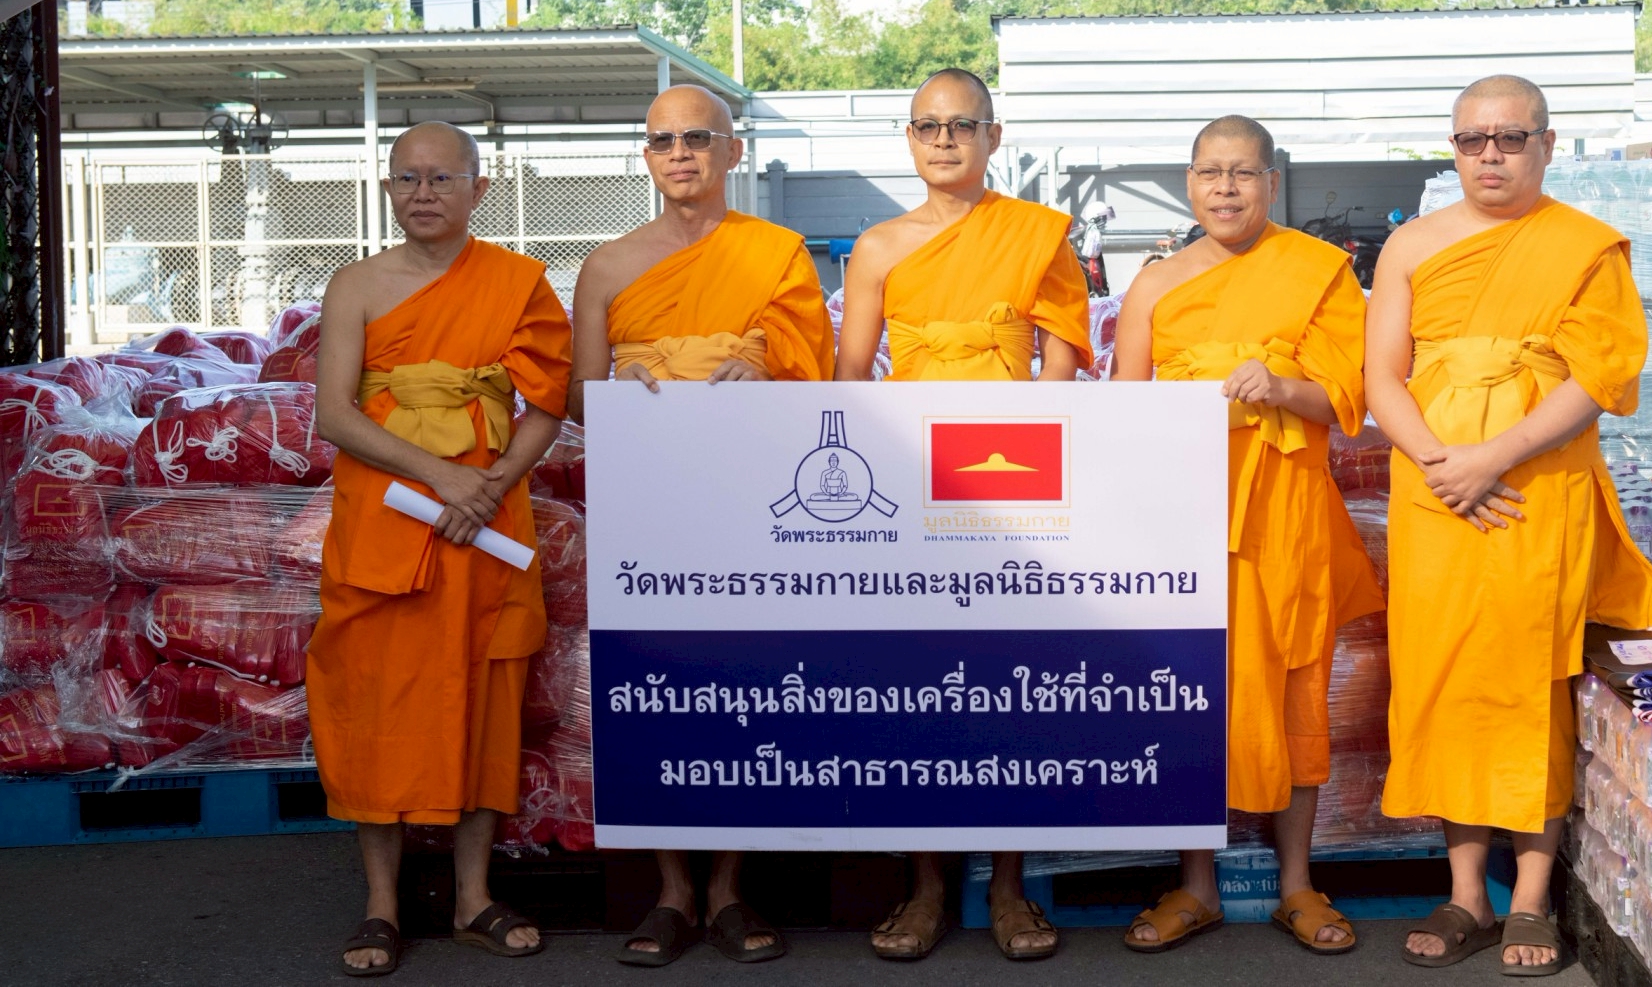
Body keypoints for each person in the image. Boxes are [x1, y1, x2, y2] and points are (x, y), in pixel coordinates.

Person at [1365, 76, 1652, 975]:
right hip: (1434, 492)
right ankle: (1466, 896)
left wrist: (1492, 458)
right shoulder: (1411, 245)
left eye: (1508, 138)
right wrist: (1441, 463)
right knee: (1448, 678)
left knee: (1530, 679)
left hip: (1537, 486)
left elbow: (1599, 376)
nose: (1489, 155)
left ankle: (1530, 898)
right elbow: (1382, 378)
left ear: (1545, 142)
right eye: (1471, 140)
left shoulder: (1583, 246)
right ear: (1452, 149)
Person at [569, 84, 834, 968]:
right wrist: (629, 390)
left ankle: (727, 885)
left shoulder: (776, 251)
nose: (679, 153)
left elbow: (816, 370)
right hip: (647, 492)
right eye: (661, 140)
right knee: (655, 678)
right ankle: (672, 888)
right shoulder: (607, 264)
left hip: (753, 489)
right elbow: (578, 396)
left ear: (731, 151)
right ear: (646, 157)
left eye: (696, 138)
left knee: (744, 675)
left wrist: (770, 379)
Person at [835, 67, 1092, 962]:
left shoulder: (1035, 234)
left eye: (961, 125)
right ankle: (927, 887)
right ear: (909, 139)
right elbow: (852, 378)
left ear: (992, 135)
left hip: (1010, 474)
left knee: (1010, 682)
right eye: (927, 126)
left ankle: (1011, 887)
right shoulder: (875, 246)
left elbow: (1063, 357)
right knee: (916, 683)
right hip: (907, 478)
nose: (944, 140)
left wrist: (1024, 437)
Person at [307, 121, 573, 976]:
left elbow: (546, 404)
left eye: (441, 178)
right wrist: (439, 478)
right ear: (388, 189)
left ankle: (472, 896)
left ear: (478, 188)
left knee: (483, 699)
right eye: (406, 179)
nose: (423, 193)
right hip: (387, 523)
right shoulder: (355, 285)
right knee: (374, 707)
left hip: (486, 528)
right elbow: (335, 413)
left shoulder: (517, 282)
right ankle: (382, 905)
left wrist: (485, 486)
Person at [1111, 115, 1380, 956]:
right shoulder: (1155, 282)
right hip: (1185, 506)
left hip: (1288, 508)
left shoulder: (1317, 270)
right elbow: (1125, 407)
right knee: (1192, 690)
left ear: (1272, 182)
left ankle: (1296, 883)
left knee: (1299, 688)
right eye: (1210, 172)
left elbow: (1348, 396)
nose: (1226, 187)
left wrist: (1280, 385)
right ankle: (1196, 885)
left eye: (1244, 173)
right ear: (1189, 183)